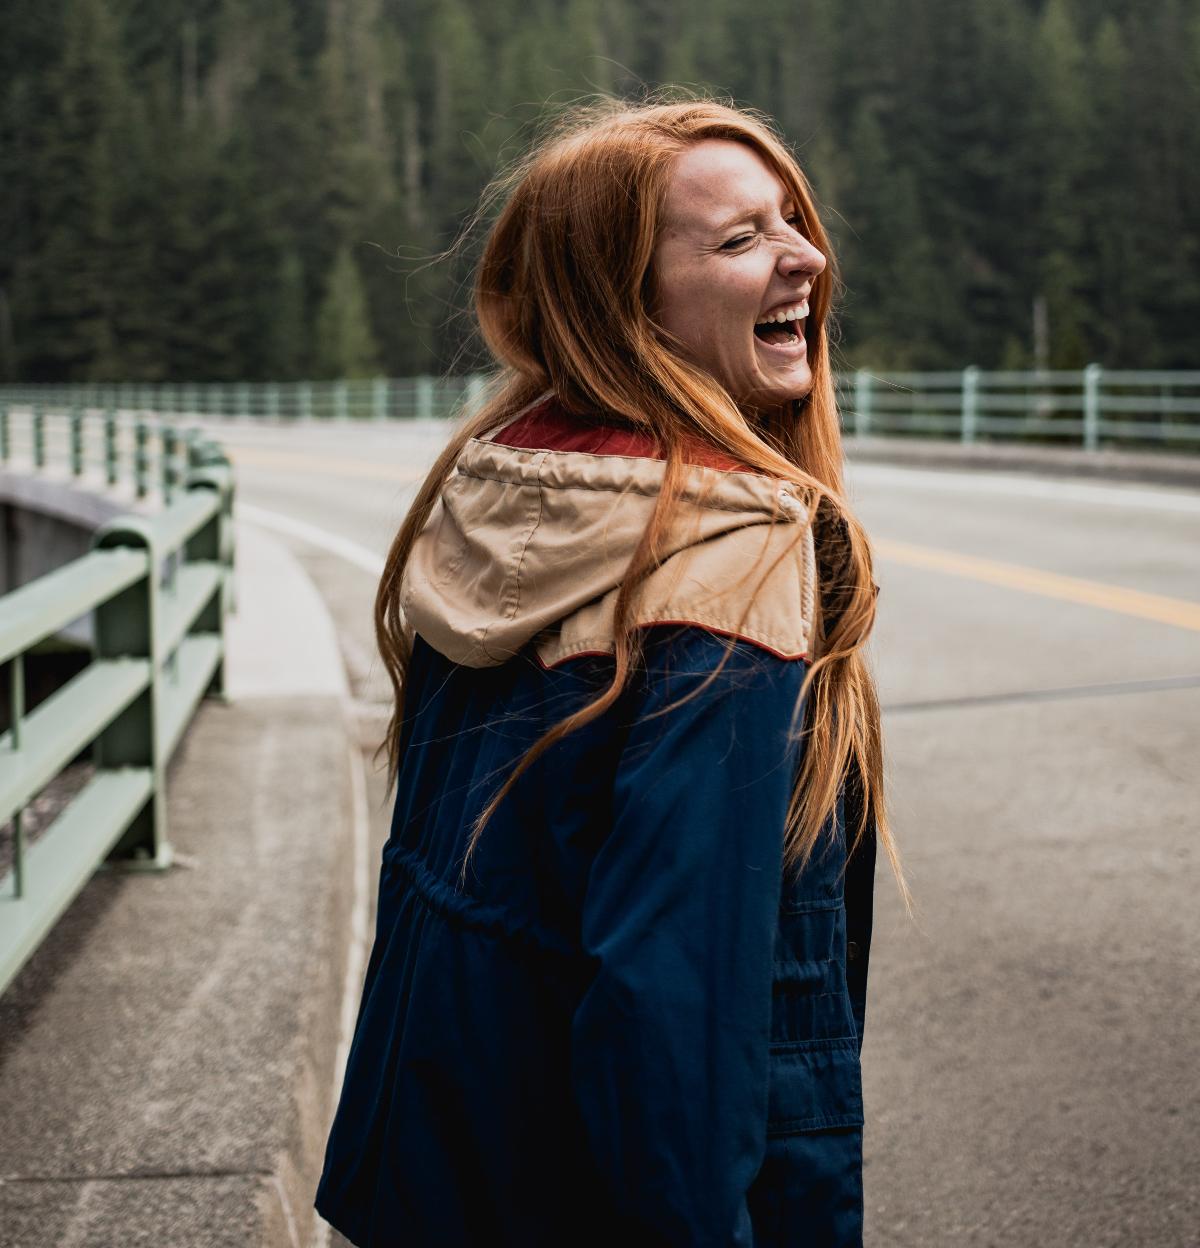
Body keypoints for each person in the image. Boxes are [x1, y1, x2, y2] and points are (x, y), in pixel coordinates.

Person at [314, 95, 909, 1248]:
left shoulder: (493, 492)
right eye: (742, 239)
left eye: (792, 218)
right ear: (620, 308)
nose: (809, 257)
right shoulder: (722, 552)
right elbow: (673, 1012)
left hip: (438, 1162)